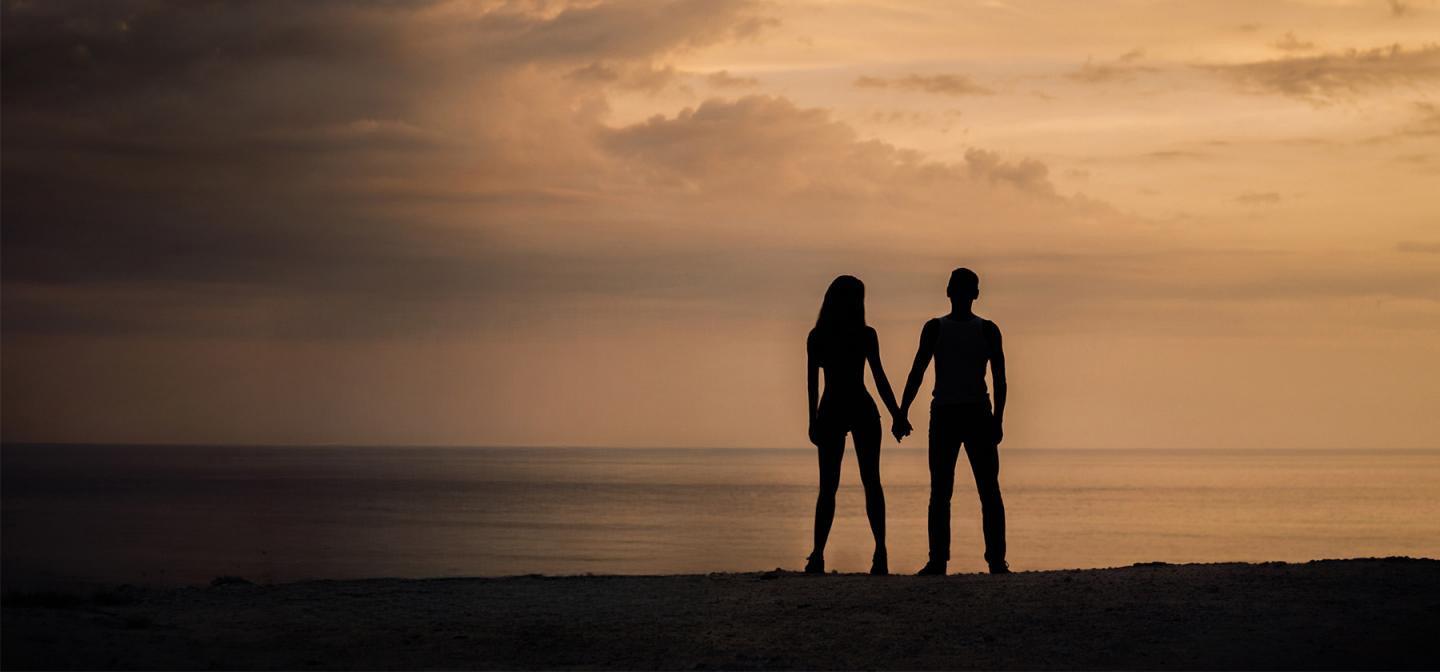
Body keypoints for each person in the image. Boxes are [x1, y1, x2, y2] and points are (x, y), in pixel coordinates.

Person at [895, 267, 1009, 575]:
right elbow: (918, 371)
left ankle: (957, 560)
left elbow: (999, 379)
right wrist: (902, 411)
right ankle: (972, 560)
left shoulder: (982, 330)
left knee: (964, 490)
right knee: (969, 490)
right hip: (958, 413)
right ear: (975, 293)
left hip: (962, 413)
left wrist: (902, 412)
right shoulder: (944, 329)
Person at [805, 275, 904, 575]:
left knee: (832, 486)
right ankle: (878, 553)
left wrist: (813, 420)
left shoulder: (820, 335)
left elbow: (813, 385)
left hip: (836, 408)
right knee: (869, 482)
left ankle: (820, 556)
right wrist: (896, 414)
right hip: (856, 408)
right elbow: (879, 379)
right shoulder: (862, 334)